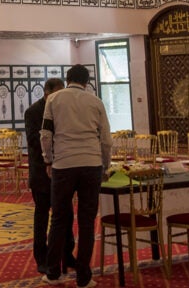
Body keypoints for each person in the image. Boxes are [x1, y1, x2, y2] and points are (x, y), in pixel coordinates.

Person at [40, 65, 112, 288]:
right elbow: (106, 141)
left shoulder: (54, 100)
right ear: (86, 81)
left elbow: (45, 134)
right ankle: (83, 277)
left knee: (60, 219)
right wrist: (105, 166)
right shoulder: (96, 102)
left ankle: (52, 273)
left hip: (63, 165)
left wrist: (48, 160)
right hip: (91, 165)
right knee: (87, 222)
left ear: (67, 79)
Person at [25, 78, 78, 276]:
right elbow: (33, 141)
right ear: (46, 93)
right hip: (41, 173)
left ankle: (67, 254)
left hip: (62, 169)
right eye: (57, 93)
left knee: (66, 214)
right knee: (41, 218)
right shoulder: (33, 112)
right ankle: (42, 258)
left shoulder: (62, 110)